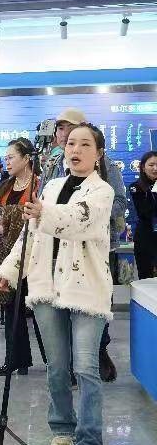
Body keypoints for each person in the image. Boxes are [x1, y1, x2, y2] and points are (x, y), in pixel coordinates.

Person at [0, 123, 113, 445]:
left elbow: (79, 222)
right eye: (71, 143)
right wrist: (10, 268)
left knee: (86, 367)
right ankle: (62, 425)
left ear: (98, 154)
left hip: (86, 290)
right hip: (46, 286)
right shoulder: (51, 186)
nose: (75, 150)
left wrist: (43, 213)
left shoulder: (102, 191)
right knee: (57, 366)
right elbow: (29, 236)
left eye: (85, 144)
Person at [43, 108, 124, 383]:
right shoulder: (53, 165)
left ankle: (97, 354)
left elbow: (118, 203)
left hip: (94, 249)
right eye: (60, 128)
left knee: (93, 308)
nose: (63, 133)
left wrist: (87, 216)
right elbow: (44, 206)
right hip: (58, 251)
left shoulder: (107, 166)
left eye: (68, 127)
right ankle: (68, 367)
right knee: (60, 312)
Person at [0, 138, 39, 376]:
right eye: (6, 158)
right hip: (6, 253)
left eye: (11, 157)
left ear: (27, 158)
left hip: (32, 256)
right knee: (11, 309)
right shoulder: (6, 187)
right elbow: (0, 216)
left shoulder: (39, 185)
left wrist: (7, 226)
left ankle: (56, 363)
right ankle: (16, 359)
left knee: (39, 310)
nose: (7, 162)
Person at [130, 151, 157, 279]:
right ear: (143, 167)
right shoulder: (136, 187)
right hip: (146, 239)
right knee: (146, 279)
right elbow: (145, 212)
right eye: (151, 165)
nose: (155, 168)